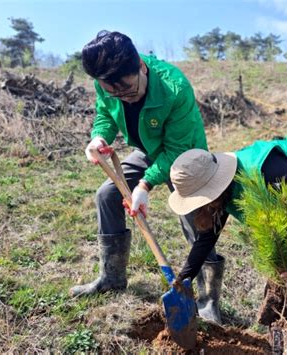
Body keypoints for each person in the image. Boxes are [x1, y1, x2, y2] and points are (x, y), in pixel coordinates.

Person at [70, 31, 223, 324]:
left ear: (140, 65)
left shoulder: (174, 87)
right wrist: (99, 137)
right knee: (107, 195)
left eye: (128, 90)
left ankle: (208, 301)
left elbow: (176, 149)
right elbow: (105, 113)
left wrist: (144, 185)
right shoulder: (107, 81)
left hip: (185, 155)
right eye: (114, 92)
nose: (123, 97)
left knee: (195, 216)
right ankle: (111, 277)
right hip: (147, 149)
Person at [167, 140, 287, 342]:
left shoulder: (263, 169)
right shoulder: (223, 192)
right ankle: (282, 339)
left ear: (213, 184)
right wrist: (184, 278)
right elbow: (207, 238)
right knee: (281, 279)